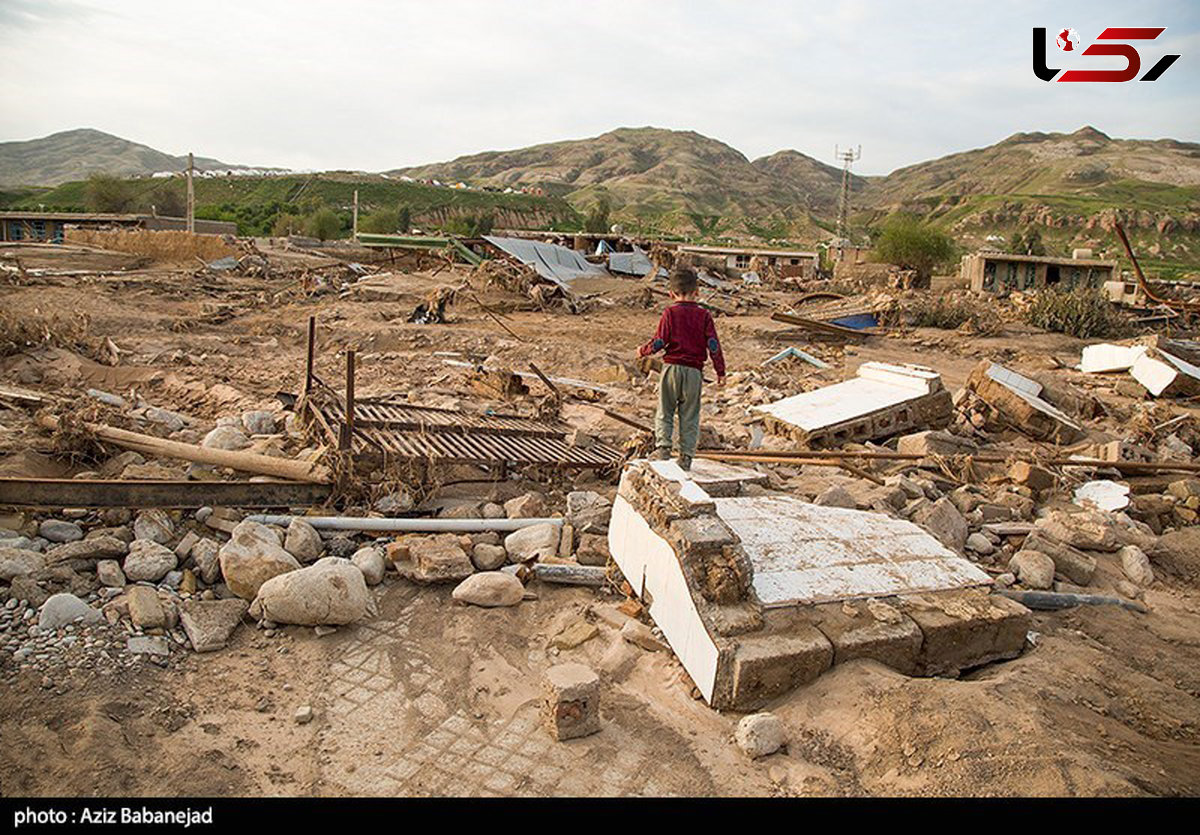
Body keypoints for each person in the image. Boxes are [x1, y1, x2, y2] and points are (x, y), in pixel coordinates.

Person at [637, 266, 726, 470]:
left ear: (671, 294)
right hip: (694, 373)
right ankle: (686, 457)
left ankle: (663, 450)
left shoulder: (670, 312)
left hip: (671, 369)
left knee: (665, 411)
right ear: (697, 292)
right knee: (690, 415)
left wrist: (643, 351)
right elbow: (713, 344)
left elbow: (660, 341)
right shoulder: (704, 316)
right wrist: (720, 371)